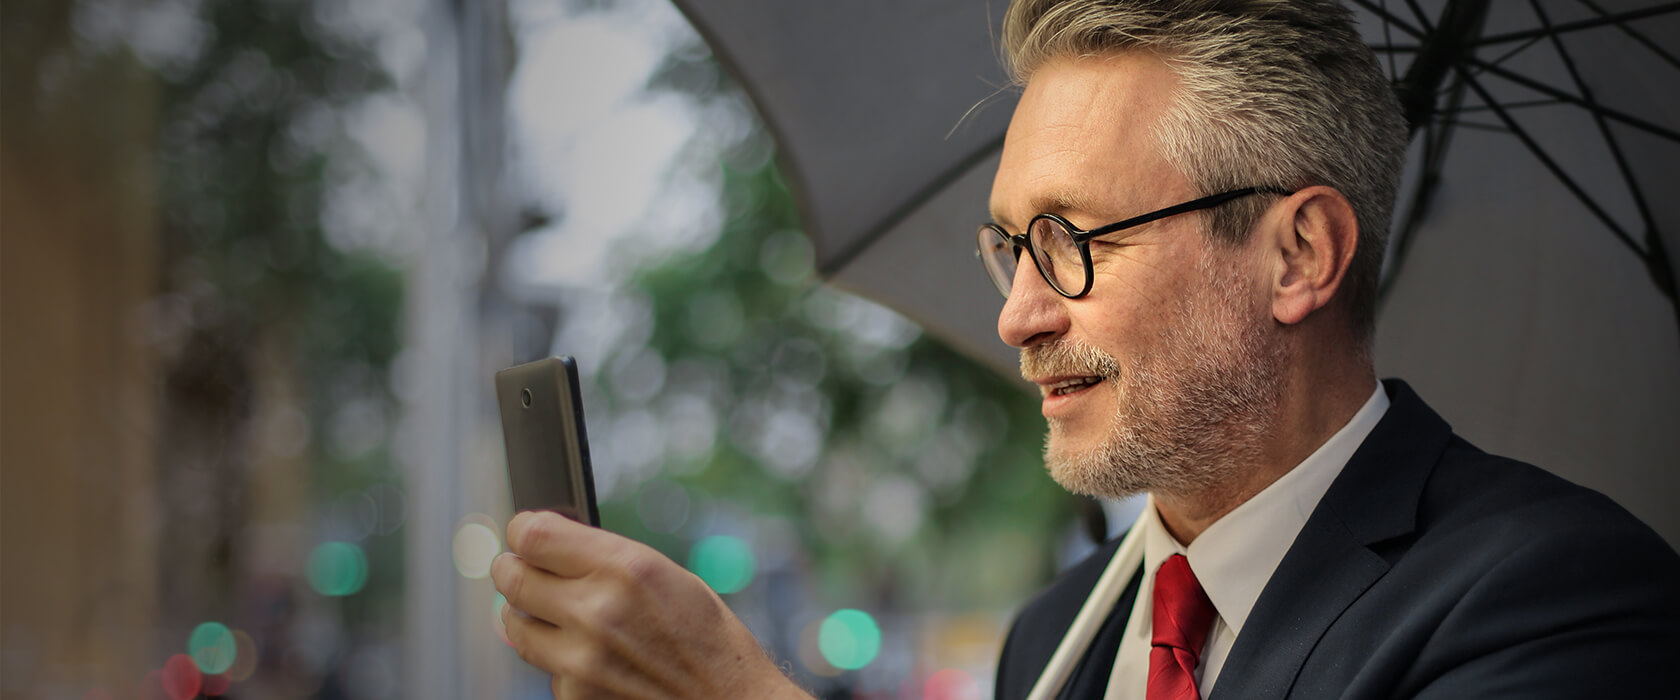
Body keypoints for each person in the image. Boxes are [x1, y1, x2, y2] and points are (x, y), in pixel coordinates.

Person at [491, 0, 1680, 697]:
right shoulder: (1050, 639)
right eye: (1008, 245)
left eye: (1067, 239)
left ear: (1300, 253)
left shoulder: (1556, 598)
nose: (1019, 315)